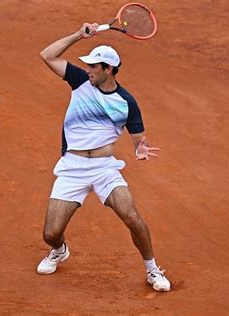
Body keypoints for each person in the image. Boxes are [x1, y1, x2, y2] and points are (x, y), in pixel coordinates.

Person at [37, 23, 170, 292]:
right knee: (50, 233)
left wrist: (139, 150)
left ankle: (152, 269)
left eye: (93, 66)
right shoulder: (79, 82)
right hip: (72, 168)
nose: (87, 70)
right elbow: (47, 55)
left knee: (131, 216)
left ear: (107, 69)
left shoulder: (126, 102)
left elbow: (137, 138)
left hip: (104, 169)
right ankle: (59, 250)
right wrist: (77, 35)